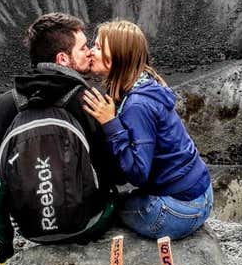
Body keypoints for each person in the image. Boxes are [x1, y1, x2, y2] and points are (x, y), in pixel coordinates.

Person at [0, 13, 123, 265]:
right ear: (63, 59)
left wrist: (5, 247)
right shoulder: (88, 100)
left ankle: (3, 256)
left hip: (32, 232)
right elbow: (112, 173)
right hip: (88, 226)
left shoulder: (8, 103)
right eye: (82, 48)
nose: (89, 52)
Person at [82, 20, 212, 240]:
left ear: (118, 57)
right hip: (199, 195)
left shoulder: (137, 105)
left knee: (110, 209)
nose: (91, 52)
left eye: (99, 47)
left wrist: (110, 124)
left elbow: (138, 174)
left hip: (180, 209)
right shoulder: (144, 84)